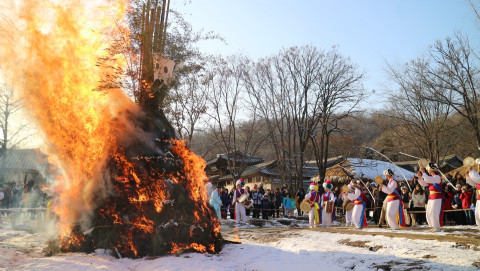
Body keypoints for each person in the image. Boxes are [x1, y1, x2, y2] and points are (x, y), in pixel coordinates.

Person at [417, 163, 444, 231]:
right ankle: (432, 226)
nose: (428, 171)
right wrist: (420, 178)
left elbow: (428, 179)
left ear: (431, 170)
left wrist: (423, 172)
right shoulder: (432, 179)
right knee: (429, 212)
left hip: (437, 197)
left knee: (434, 212)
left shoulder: (437, 177)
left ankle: (436, 227)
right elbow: (424, 183)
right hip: (431, 197)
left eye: (428, 170)